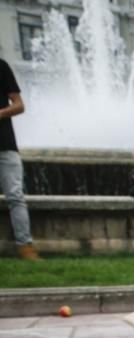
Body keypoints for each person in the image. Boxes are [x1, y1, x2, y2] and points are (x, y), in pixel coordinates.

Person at [0, 58, 39, 261]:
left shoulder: (1, 66)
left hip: (5, 145)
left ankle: (25, 246)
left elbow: (19, 105)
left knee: (15, 196)